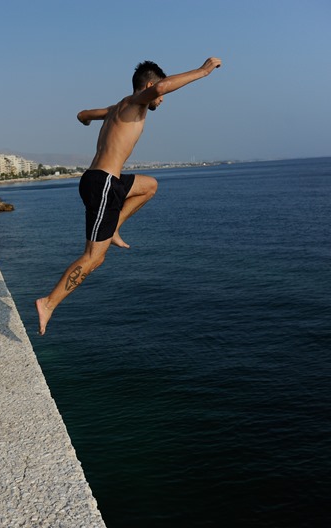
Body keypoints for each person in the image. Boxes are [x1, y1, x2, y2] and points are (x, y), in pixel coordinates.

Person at [35, 57, 222, 335]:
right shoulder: (137, 102)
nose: (163, 100)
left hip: (106, 181)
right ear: (148, 85)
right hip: (104, 184)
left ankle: (116, 228)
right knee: (94, 258)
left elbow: (83, 113)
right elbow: (161, 90)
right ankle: (48, 303)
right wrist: (203, 71)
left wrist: (85, 119)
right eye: (157, 91)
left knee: (149, 185)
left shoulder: (117, 108)